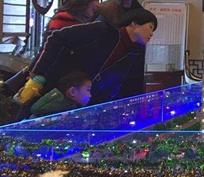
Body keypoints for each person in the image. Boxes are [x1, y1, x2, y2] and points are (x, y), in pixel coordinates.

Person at [16, 8, 157, 107]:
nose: (152, 34)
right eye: (150, 27)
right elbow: (57, 38)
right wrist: (37, 73)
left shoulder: (130, 55)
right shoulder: (103, 30)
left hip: (75, 108)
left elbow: (110, 91)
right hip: (50, 90)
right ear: (134, 23)